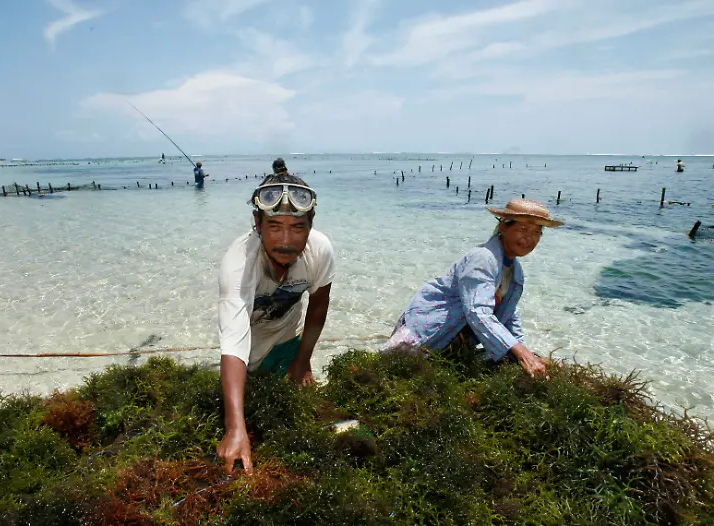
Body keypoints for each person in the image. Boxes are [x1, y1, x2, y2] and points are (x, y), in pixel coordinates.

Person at [216, 158, 336, 473]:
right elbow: (233, 342)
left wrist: (304, 360)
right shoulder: (238, 263)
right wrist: (234, 427)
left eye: (298, 227)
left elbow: (318, 305)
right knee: (250, 418)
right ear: (257, 223)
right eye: (274, 226)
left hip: (288, 339)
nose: (286, 241)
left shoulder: (320, 250)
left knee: (306, 414)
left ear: (311, 225)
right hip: (248, 352)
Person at [381, 198, 563, 380]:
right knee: (396, 378)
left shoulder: (516, 272)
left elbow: (509, 317)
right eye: (523, 230)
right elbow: (478, 312)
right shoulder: (483, 259)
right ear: (503, 227)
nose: (529, 238)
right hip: (425, 335)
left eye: (536, 233)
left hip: (454, 344)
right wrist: (522, 353)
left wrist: (526, 355)